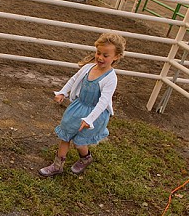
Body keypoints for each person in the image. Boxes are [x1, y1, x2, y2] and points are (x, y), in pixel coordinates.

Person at [39, 32, 125, 177]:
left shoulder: (110, 78)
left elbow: (103, 102)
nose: (100, 57)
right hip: (78, 107)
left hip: (95, 114)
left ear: (116, 57)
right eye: (98, 53)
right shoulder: (88, 68)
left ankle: (86, 158)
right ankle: (57, 165)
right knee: (65, 134)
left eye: (105, 55)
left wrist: (89, 119)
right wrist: (62, 92)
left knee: (79, 142)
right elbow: (74, 80)